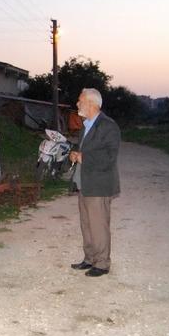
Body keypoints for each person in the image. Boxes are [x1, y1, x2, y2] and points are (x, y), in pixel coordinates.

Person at [68, 88, 121, 277]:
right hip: (85, 183)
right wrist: (76, 154)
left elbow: (109, 156)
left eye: (80, 100)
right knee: (87, 224)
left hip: (99, 184)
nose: (77, 104)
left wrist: (85, 158)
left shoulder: (108, 126)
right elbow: (85, 149)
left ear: (91, 103)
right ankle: (89, 258)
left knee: (98, 225)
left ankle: (102, 263)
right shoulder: (86, 125)